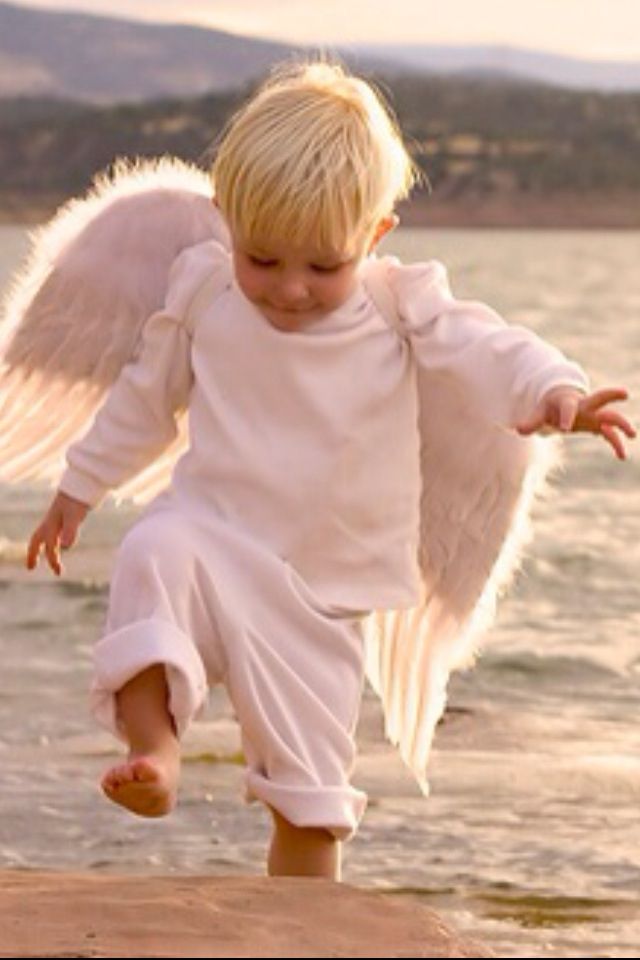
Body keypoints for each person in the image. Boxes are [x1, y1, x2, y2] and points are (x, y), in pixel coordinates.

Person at [23, 59, 634, 881]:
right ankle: (156, 754)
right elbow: (144, 398)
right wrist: (78, 487)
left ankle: (307, 920)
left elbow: (490, 345)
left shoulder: (398, 304)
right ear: (225, 219)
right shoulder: (203, 285)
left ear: (375, 235)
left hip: (323, 590)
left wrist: (556, 389)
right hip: (213, 535)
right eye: (263, 258)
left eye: (323, 265)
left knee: (310, 799)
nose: (292, 290)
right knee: (150, 556)